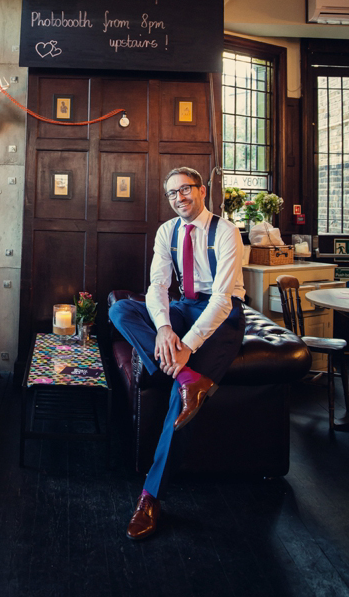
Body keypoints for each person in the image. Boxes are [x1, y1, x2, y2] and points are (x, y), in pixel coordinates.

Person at [108, 166, 245, 541]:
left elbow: (221, 299)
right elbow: (157, 286)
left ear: (201, 191)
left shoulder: (226, 231)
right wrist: (166, 329)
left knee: (180, 406)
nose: (179, 198)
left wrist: (188, 346)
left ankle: (150, 498)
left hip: (222, 316)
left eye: (185, 190)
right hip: (184, 308)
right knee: (120, 309)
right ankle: (187, 379)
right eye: (171, 193)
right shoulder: (167, 232)